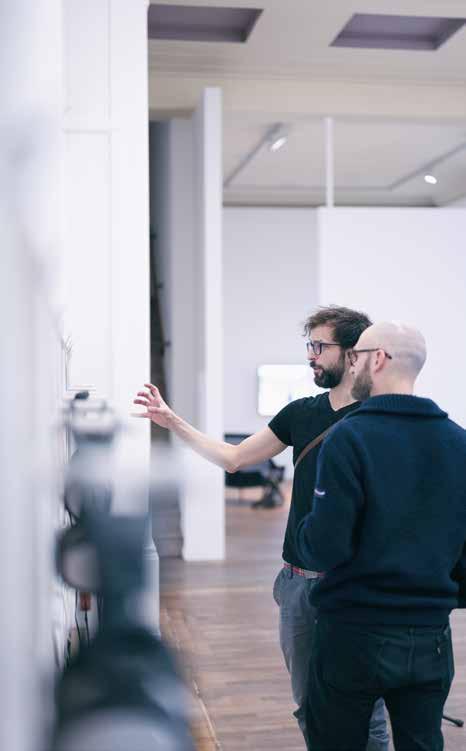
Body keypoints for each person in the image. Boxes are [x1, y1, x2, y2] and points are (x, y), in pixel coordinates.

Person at [133, 305, 388, 750]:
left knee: (369, 712)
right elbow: (235, 459)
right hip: (300, 585)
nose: (310, 355)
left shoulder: (382, 420)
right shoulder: (300, 414)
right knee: (309, 704)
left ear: (353, 355)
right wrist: (171, 421)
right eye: (309, 345)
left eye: (319, 346)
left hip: (359, 585)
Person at [295, 321, 466, 751]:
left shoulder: (348, 437)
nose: (351, 367)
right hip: (430, 637)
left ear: (378, 359)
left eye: (355, 357)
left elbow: (325, 547)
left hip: (354, 633)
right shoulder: (459, 442)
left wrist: (303, 531)